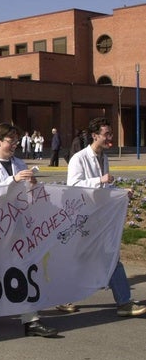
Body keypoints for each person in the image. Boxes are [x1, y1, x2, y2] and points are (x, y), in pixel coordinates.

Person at [0, 123, 58, 337]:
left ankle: (31, 320)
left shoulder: (19, 163)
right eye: (10, 141)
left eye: (16, 141)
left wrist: (33, 183)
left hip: (18, 226)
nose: (14, 145)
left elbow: (29, 194)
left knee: (24, 268)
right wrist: (12, 180)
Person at [67, 117, 146, 317]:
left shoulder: (104, 157)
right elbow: (73, 187)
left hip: (100, 218)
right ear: (95, 136)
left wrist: (120, 192)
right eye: (107, 134)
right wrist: (98, 180)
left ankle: (124, 301)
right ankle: (63, 298)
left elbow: (105, 187)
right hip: (83, 219)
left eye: (111, 134)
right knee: (78, 258)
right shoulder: (79, 158)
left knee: (111, 257)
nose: (110, 138)